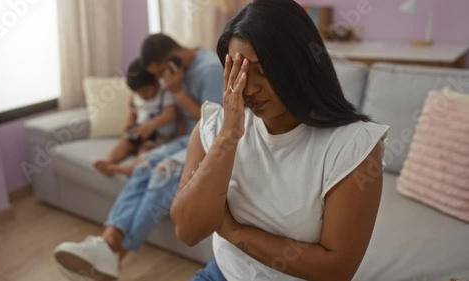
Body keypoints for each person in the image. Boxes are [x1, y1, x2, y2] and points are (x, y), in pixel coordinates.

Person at [170, 1, 390, 280]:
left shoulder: (354, 146)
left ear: (302, 65)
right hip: (221, 274)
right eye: (239, 72)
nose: (249, 89)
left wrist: (234, 231)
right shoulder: (215, 125)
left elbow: (337, 269)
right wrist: (228, 137)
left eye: (263, 71)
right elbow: (187, 231)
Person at [54, 33, 223, 281]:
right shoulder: (179, 67)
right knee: (143, 166)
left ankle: (113, 255)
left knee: (162, 173)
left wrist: (177, 91)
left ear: (172, 58)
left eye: (158, 72)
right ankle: (106, 241)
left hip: (207, 141)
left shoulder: (209, 69)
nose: (159, 81)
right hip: (185, 138)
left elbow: (215, 124)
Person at [94, 58, 177, 177]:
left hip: (157, 135)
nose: (142, 95)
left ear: (156, 82)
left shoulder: (164, 94)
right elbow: (133, 112)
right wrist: (128, 123)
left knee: (146, 148)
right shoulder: (136, 97)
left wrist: (151, 125)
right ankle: (108, 161)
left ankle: (133, 167)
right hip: (138, 131)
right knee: (124, 143)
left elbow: (171, 114)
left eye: (145, 91)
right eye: (138, 92)